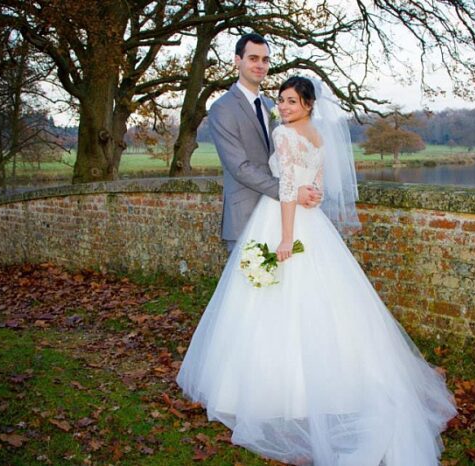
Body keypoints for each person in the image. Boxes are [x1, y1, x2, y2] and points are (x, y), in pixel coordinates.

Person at [177, 76, 456, 465]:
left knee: (274, 301)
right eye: (282, 101)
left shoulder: (284, 135)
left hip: (285, 220)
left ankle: (273, 393)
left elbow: (289, 189)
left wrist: (287, 238)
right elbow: (318, 187)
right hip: (315, 222)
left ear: (308, 104)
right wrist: (309, 202)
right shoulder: (319, 136)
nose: (284, 107)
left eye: (291, 101)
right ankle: (332, 386)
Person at [207, 33, 321, 253]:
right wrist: (290, 192)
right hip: (246, 213)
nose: (260, 65)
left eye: (265, 59)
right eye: (253, 58)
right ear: (237, 60)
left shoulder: (272, 105)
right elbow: (239, 167)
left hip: (281, 214)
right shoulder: (222, 108)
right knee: (250, 284)